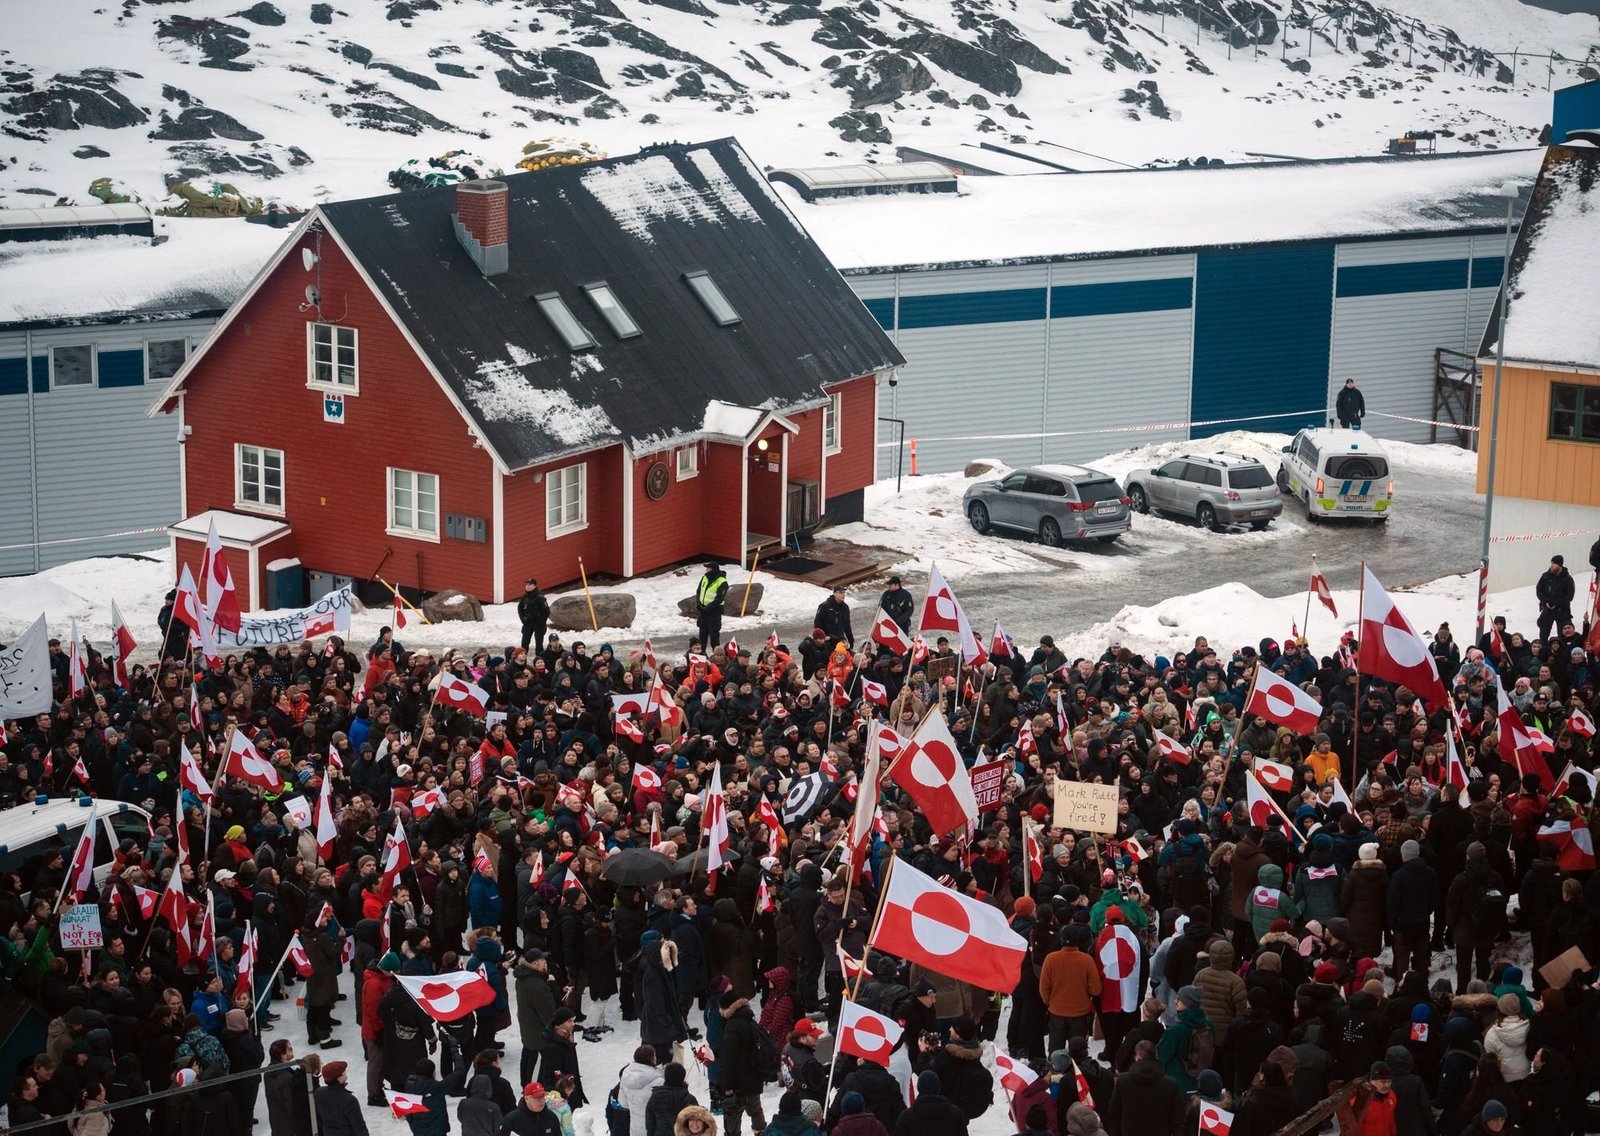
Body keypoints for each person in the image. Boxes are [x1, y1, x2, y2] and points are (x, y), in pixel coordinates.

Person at [617, 1046, 665, 1136]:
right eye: (654, 1056)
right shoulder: (659, 1081)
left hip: (635, 1129)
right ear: (651, 1058)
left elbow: (623, 1103)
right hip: (655, 1128)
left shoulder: (626, 1076)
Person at [316, 1061, 370, 1136]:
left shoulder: (320, 1092)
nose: (345, 1072)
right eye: (343, 1072)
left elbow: (319, 1118)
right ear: (339, 1079)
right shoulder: (349, 1100)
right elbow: (359, 1126)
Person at [1534, 557, 1574, 643]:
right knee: (1543, 634)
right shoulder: (1545, 576)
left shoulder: (1567, 579)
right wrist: (1546, 601)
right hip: (1547, 609)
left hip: (1562, 611)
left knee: (1562, 635)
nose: (1551, 566)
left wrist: (1555, 603)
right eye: (1551, 564)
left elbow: (1569, 596)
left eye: (1553, 564)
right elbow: (1539, 591)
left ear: (1559, 565)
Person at [696, 562, 730, 650]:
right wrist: (699, 604)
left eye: (708, 569)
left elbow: (720, 598)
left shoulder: (722, 582)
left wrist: (707, 608)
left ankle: (717, 656)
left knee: (714, 636)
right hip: (703, 611)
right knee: (702, 635)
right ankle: (701, 654)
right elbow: (699, 591)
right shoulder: (705, 578)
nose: (706, 570)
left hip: (714, 612)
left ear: (713, 570)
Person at [519, 579, 551, 653]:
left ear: (534, 586)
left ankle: (539, 661)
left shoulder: (540, 597)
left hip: (538, 624)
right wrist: (523, 619)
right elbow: (520, 609)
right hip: (528, 623)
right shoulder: (524, 597)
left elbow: (546, 611)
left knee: (539, 645)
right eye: (526, 585)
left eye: (529, 585)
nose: (527, 586)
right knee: (524, 643)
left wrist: (541, 622)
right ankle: (522, 660)